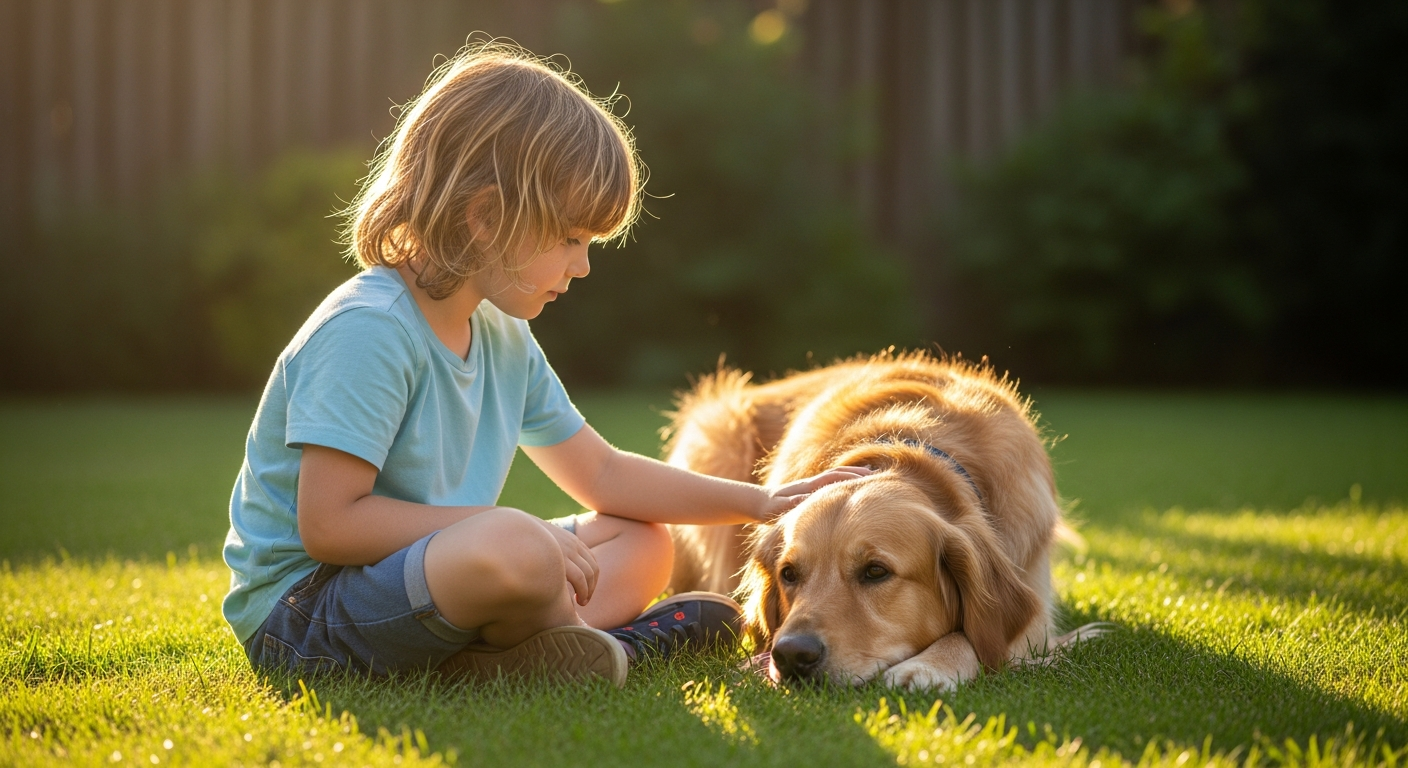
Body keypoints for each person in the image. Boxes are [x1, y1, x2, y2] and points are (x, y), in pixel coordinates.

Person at [221, 42, 866, 686]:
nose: (581, 266)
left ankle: (535, 652)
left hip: (430, 577)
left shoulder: (501, 333)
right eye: (570, 238)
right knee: (516, 544)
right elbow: (331, 525)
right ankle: (604, 645)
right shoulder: (370, 329)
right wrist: (510, 530)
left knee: (643, 541)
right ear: (485, 217)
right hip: (306, 615)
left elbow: (602, 472)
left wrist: (761, 500)